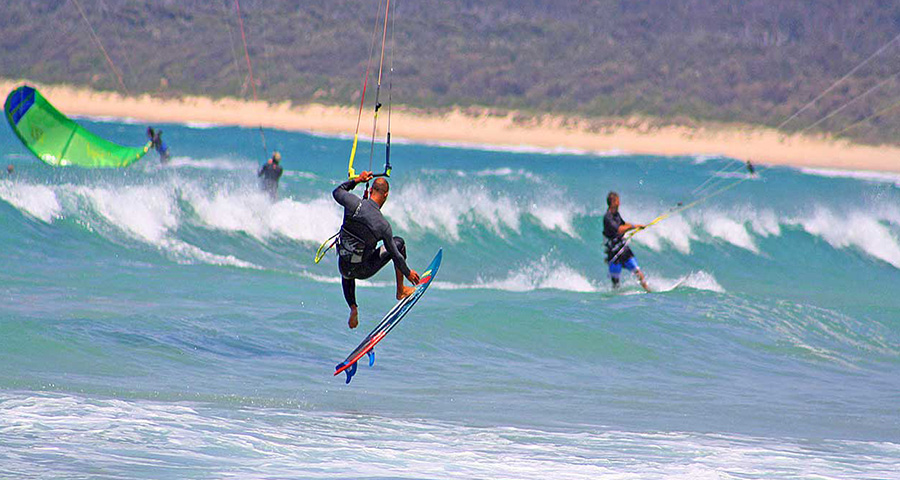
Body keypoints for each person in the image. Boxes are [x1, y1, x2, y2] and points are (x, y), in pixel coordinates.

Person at [333, 171, 420, 329]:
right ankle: (400, 290)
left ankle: (353, 307)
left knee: (350, 255)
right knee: (399, 243)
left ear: (370, 190)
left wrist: (358, 180)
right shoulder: (382, 225)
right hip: (364, 270)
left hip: (343, 267)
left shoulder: (352, 203)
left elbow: (337, 191)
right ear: (385, 195)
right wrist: (408, 273)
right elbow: (396, 254)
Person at [603, 191, 651, 292]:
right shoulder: (607, 217)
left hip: (623, 249)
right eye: (617, 201)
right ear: (613, 202)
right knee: (615, 283)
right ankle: (614, 300)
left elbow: (624, 224)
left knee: (637, 271)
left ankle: (648, 290)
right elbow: (619, 229)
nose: (619, 203)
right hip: (614, 252)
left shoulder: (616, 214)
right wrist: (632, 227)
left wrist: (638, 226)